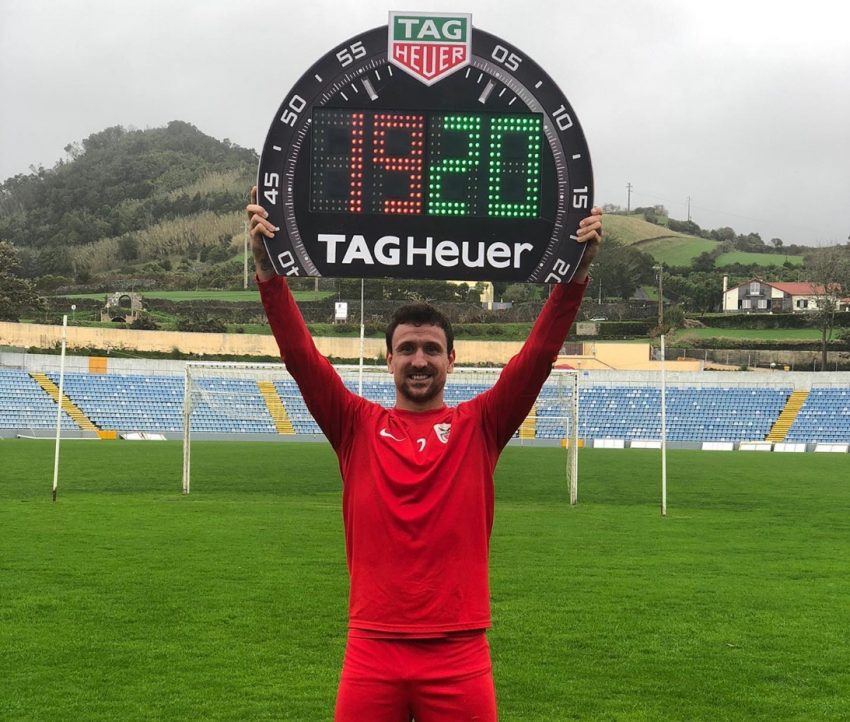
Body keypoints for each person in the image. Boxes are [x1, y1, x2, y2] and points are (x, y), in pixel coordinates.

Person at [247, 186, 602, 721]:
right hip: (372, 647)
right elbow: (301, 357)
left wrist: (575, 276)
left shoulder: (480, 424)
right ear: (388, 360)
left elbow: (537, 356)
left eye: (432, 349)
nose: (419, 360)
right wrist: (267, 272)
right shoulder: (354, 425)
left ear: (452, 360)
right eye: (407, 349)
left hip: (459, 650)